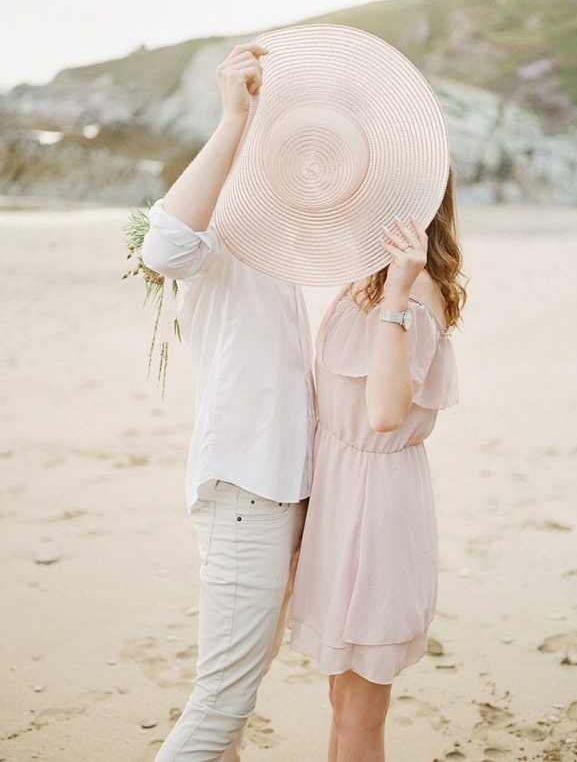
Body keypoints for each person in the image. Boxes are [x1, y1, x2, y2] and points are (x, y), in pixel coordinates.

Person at [140, 43, 315, 762]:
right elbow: (163, 247)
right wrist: (233, 117)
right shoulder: (220, 231)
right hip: (246, 489)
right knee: (220, 705)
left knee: (236, 704)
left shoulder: (289, 247)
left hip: (280, 491)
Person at [289, 169, 466, 762]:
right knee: (341, 699)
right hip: (338, 498)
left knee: (361, 713)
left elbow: (386, 412)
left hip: (378, 508)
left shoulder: (415, 293)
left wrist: (396, 294)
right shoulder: (361, 277)